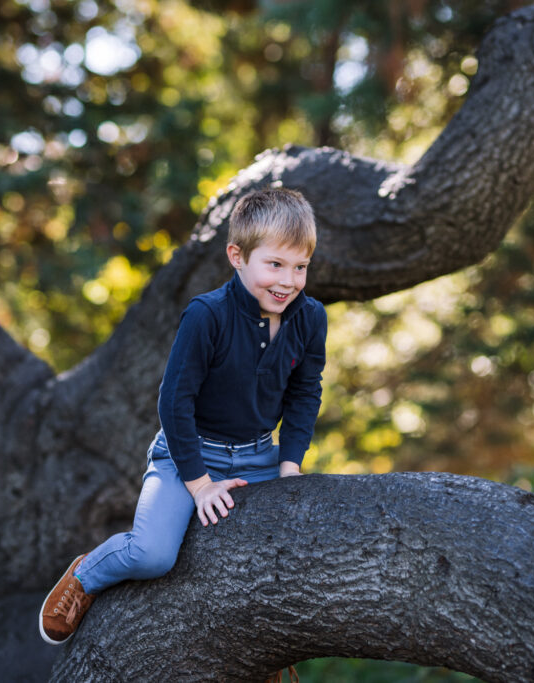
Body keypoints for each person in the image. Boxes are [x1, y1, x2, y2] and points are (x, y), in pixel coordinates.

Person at [39, 187, 327, 646]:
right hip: (187, 454)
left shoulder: (310, 318)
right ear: (237, 256)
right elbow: (174, 403)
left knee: (286, 551)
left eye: (300, 267)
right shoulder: (206, 315)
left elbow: (305, 395)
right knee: (153, 554)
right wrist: (200, 484)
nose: (288, 280)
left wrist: (288, 468)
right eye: (275, 264)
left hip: (258, 455)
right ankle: (87, 574)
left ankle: (266, 653)